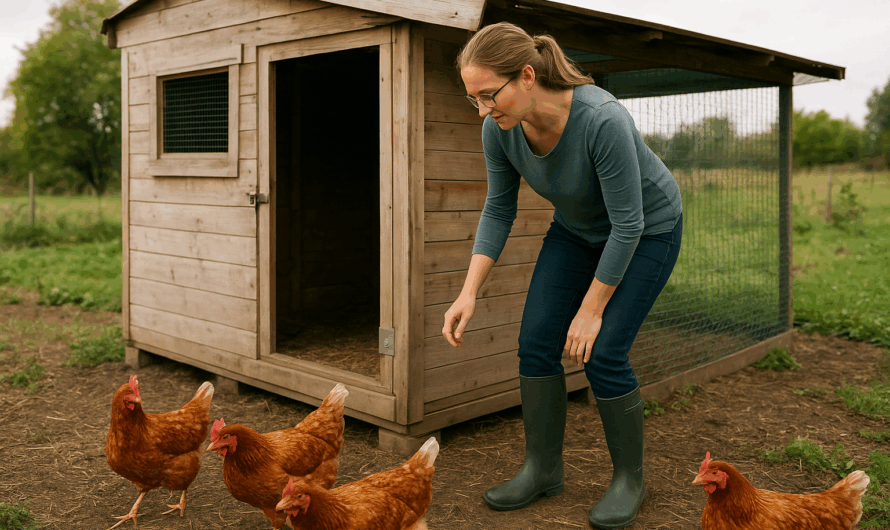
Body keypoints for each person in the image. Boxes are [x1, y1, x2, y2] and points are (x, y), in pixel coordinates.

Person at [441, 22, 683, 529]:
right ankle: (542, 469)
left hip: (649, 231)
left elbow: (629, 224)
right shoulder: (499, 130)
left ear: (527, 75)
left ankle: (629, 481)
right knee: (535, 342)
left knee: (606, 350)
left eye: (490, 95)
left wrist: (592, 310)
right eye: (474, 100)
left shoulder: (601, 118)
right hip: (576, 232)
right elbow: (498, 210)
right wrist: (468, 292)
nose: (484, 110)